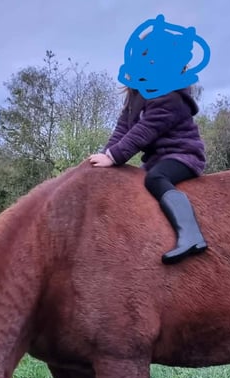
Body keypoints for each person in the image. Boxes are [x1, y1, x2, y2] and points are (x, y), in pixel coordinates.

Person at [88, 86, 208, 264]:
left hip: (183, 154)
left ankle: (191, 235)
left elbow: (144, 130)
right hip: (156, 159)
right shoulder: (136, 94)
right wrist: (105, 156)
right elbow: (123, 128)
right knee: (133, 184)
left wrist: (114, 156)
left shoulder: (170, 96)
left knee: (155, 178)